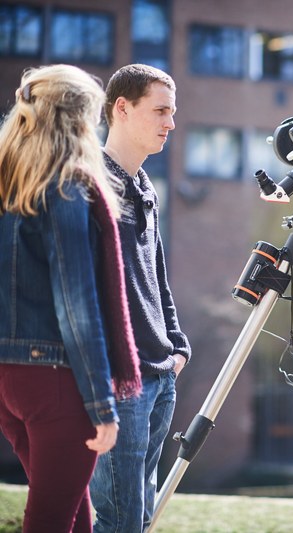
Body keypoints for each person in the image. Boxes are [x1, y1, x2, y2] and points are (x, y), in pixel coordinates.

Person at [0, 64, 140, 532]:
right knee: (50, 520)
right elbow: (76, 306)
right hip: (54, 381)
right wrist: (102, 405)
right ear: (80, 120)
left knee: (74, 516)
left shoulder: (6, 184)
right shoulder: (67, 187)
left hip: (6, 381)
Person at [90, 63, 191, 533]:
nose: (170, 123)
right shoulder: (89, 186)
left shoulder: (145, 184)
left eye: (172, 112)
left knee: (141, 516)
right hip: (118, 382)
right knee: (120, 520)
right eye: (161, 111)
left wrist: (176, 345)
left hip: (159, 374)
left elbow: (155, 275)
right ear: (123, 109)